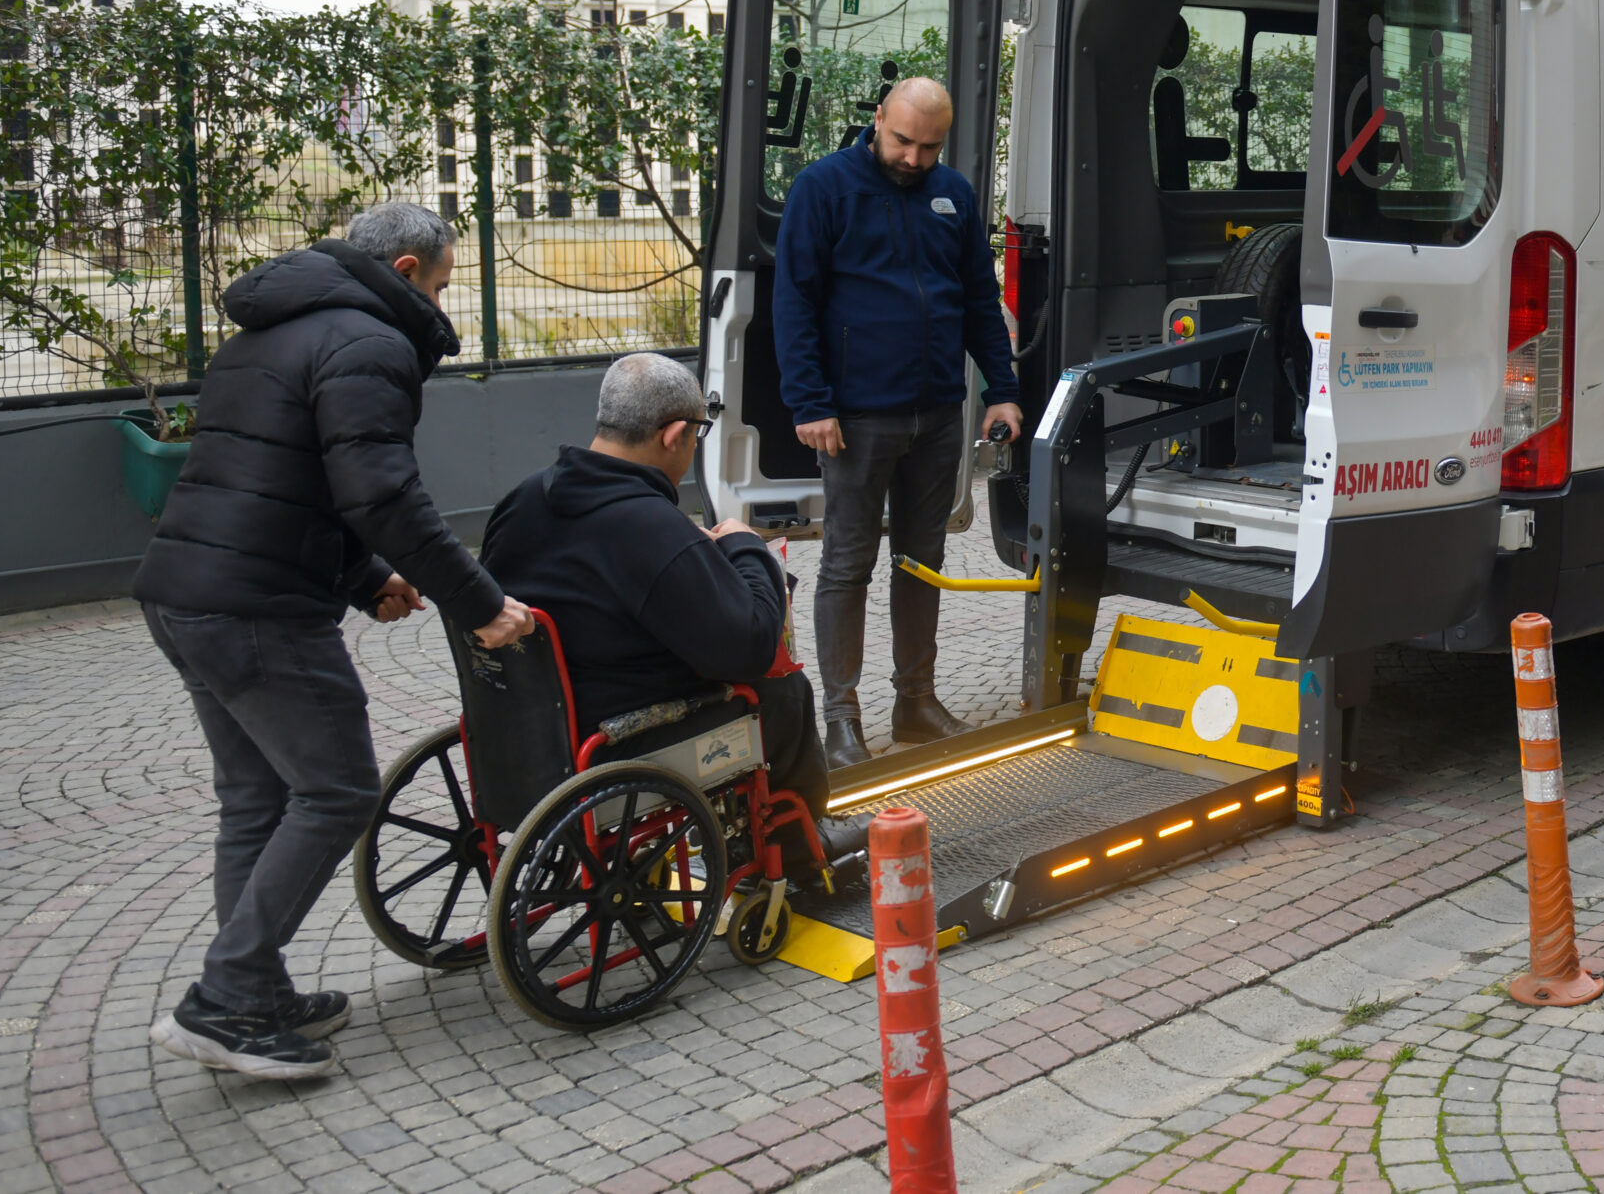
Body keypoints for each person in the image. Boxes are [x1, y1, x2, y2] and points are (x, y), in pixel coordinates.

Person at [134, 203, 534, 1081]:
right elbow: (382, 494)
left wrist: (365, 581)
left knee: (256, 798)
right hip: (255, 609)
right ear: (402, 269)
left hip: (184, 592)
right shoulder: (369, 342)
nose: (442, 300)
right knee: (338, 789)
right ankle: (228, 997)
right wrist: (479, 603)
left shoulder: (273, 328)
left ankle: (255, 988)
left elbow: (288, 474)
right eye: (439, 281)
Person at [478, 353, 869, 858]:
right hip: (612, 738)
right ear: (674, 433)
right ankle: (795, 845)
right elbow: (748, 647)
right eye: (698, 434)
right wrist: (744, 547)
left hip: (524, 725)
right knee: (784, 692)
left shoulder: (521, 500)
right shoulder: (645, 525)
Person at [775, 74, 1021, 768]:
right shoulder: (824, 188)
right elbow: (794, 302)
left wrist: (1001, 388)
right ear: (877, 117)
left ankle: (916, 702)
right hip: (855, 416)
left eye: (929, 147)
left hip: (939, 410)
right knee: (848, 564)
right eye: (903, 140)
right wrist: (810, 401)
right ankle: (841, 719)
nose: (914, 159)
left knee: (923, 560)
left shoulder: (953, 195)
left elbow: (979, 296)